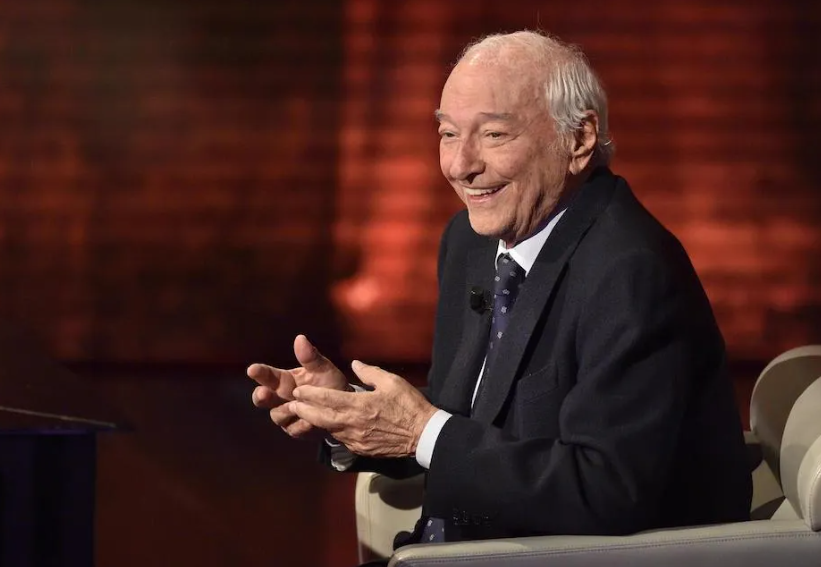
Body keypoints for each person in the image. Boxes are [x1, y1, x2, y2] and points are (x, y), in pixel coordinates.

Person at [248, 30, 752, 548]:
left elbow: (607, 489)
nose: (460, 165)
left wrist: (420, 431)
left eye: (493, 135)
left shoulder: (632, 271)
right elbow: (467, 419)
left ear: (579, 140)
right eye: (448, 133)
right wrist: (351, 412)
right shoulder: (469, 242)